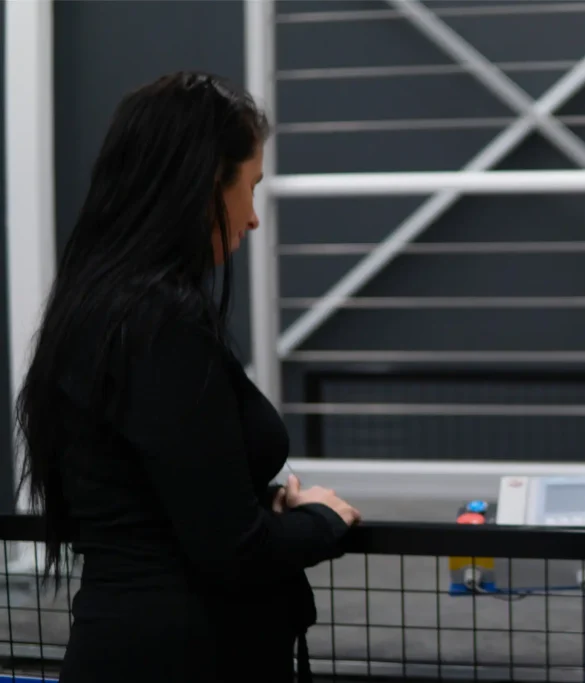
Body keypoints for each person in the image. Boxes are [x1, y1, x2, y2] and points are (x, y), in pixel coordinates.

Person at [16, 72, 361, 683]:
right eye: (249, 188)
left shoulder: (95, 308)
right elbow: (234, 553)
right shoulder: (159, 324)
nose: (253, 218)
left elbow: (163, 501)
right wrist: (324, 521)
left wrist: (252, 497)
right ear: (205, 187)